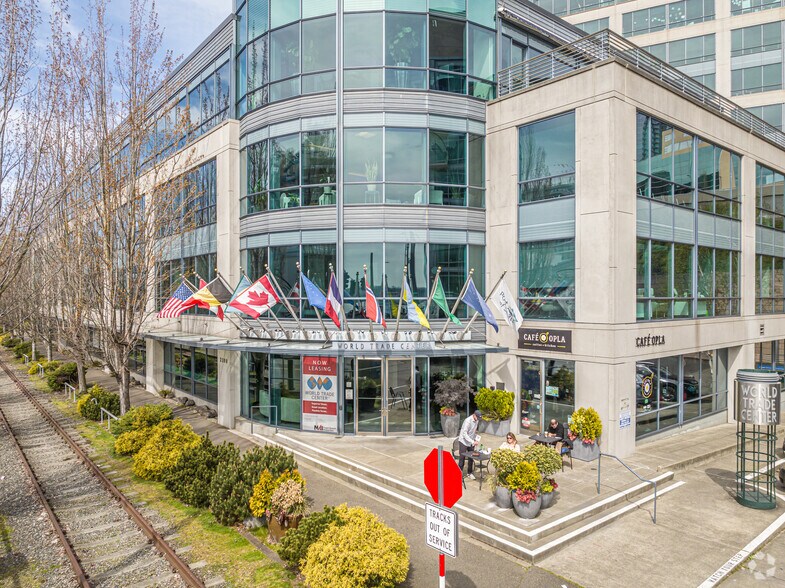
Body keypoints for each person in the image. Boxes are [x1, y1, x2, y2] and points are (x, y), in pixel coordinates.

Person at [458, 410, 482, 480]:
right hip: (463, 441)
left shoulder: (477, 420)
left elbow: (473, 431)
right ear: (474, 415)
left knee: (471, 457)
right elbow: (464, 434)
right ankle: (459, 473)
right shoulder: (467, 421)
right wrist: (472, 441)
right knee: (462, 458)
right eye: (477, 417)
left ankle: (469, 473)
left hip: (471, 441)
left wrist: (476, 438)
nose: (478, 419)